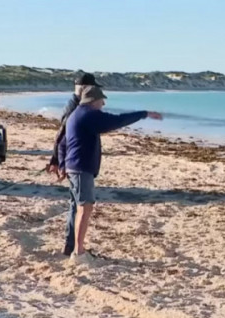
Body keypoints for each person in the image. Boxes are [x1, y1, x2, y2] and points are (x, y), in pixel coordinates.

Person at [58, 85, 162, 263]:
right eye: (101, 100)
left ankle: (74, 248)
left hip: (74, 167)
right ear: (93, 101)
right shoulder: (89, 114)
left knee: (79, 207)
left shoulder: (75, 114)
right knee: (85, 207)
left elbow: (62, 143)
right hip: (81, 168)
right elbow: (117, 121)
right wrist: (143, 114)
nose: (103, 103)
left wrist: (61, 164)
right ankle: (79, 253)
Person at [47, 73, 102, 256]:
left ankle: (71, 245)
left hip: (73, 163)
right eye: (91, 88)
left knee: (76, 204)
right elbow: (61, 138)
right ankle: (72, 246)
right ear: (82, 88)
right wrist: (57, 162)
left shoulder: (78, 106)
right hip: (75, 164)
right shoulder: (74, 108)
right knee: (78, 205)